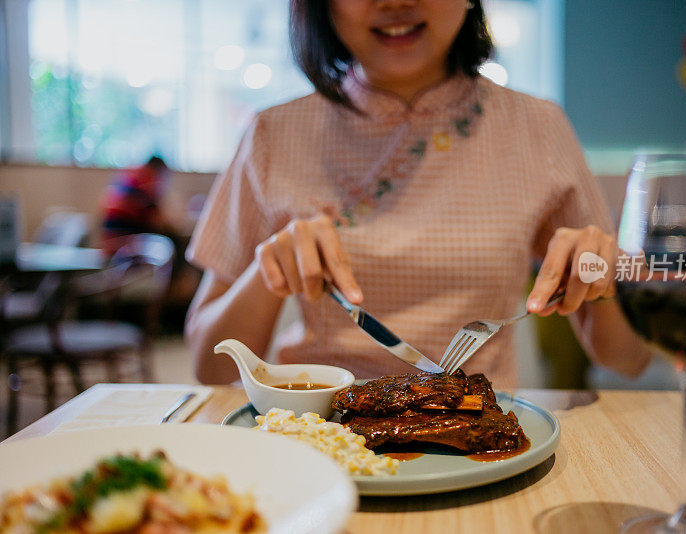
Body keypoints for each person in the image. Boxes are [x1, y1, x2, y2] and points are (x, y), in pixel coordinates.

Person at [185, 0, 650, 387]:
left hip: (477, 443)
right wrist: (270, 273)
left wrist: (599, 280)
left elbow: (629, 359)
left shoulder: (538, 128)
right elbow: (208, 365)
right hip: (319, 435)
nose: (395, 2)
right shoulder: (274, 133)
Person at [100, 155, 174, 248]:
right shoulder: (144, 180)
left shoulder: (130, 174)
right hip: (123, 230)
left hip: (112, 229)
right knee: (169, 239)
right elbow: (154, 214)